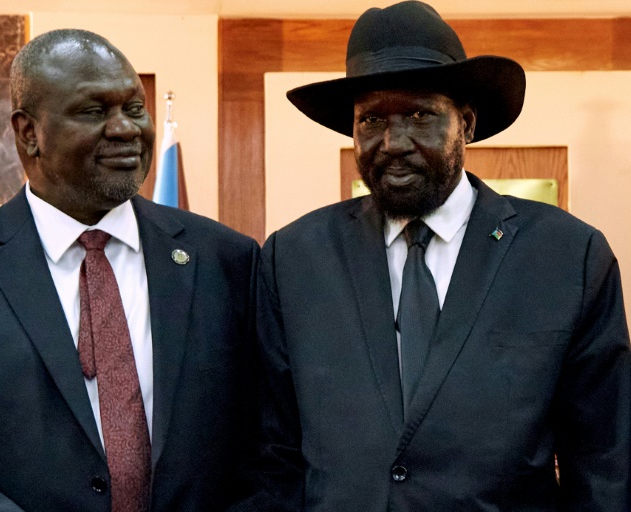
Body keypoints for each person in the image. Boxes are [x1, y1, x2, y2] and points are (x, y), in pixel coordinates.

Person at [243, 2, 631, 510]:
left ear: (465, 124)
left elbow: (604, 465)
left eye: (419, 115)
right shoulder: (293, 260)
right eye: (371, 120)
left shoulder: (567, 257)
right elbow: (272, 459)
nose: (393, 141)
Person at [0, 29, 259, 512]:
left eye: (135, 108)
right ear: (28, 133)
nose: (125, 129)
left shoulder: (226, 259)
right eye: (94, 111)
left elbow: (269, 450)